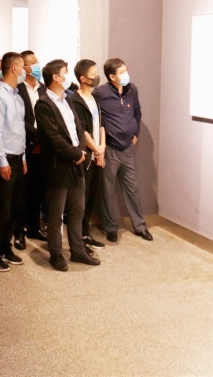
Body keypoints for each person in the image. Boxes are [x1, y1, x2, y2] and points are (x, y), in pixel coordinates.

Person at [35, 60, 99, 271]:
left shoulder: (67, 99)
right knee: (56, 214)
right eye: (65, 72)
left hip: (77, 163)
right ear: (56, 77)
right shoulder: (44, 104)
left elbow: (78, 129)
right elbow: (53, 137)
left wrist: (81, 151)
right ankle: (56, 253)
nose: (67, 76)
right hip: (59, 165)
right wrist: (75, 153)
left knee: (77, 210)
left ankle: (77, 250)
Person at [94, 58, 152, 243]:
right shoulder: (100, 93)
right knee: (108, 189)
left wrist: (135, 133)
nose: (126, 74)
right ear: (112, 77)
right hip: (109, 148)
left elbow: (137, 112)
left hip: (127, 148)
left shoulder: (132, 89)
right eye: (122, 72)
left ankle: (140, 226)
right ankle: (110, 227)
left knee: (132, 188)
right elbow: (95, 118)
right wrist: (100, 143)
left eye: (126, 70)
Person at [0, 52, 27, 272]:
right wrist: (2, 161)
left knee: (14, 209)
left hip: (18, 158)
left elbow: (20, 130)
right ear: (14, 69)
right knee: (1, 210)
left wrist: (23, 156)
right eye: (23, 66)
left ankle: (4, 248)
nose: (25, 70)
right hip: (5, 159)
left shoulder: (17, 96)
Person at [13, 50, 48, 250]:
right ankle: (19, 230)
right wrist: (37, 136)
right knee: (21, 192)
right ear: (24, 67)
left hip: (43, 147)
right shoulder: (17, 90)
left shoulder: (44, 88)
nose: (36, 65)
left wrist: (44, 139)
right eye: (32, 62)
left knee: (38, 190)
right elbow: (19, 119)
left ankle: (35, 227)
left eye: (37, 61)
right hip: (24, 146)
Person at [70, 59, 106, 251]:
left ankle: (86, 233)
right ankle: (79, 238)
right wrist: (96, 150)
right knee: (81, 199)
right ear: (83, 78)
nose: (97, 76)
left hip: (98, 153)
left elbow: (101, 125)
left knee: (92, 196)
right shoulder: (75, 100)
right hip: (88, 156)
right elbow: (81, 130)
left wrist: (102, 148)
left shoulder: (95, 97)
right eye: (94, 74)